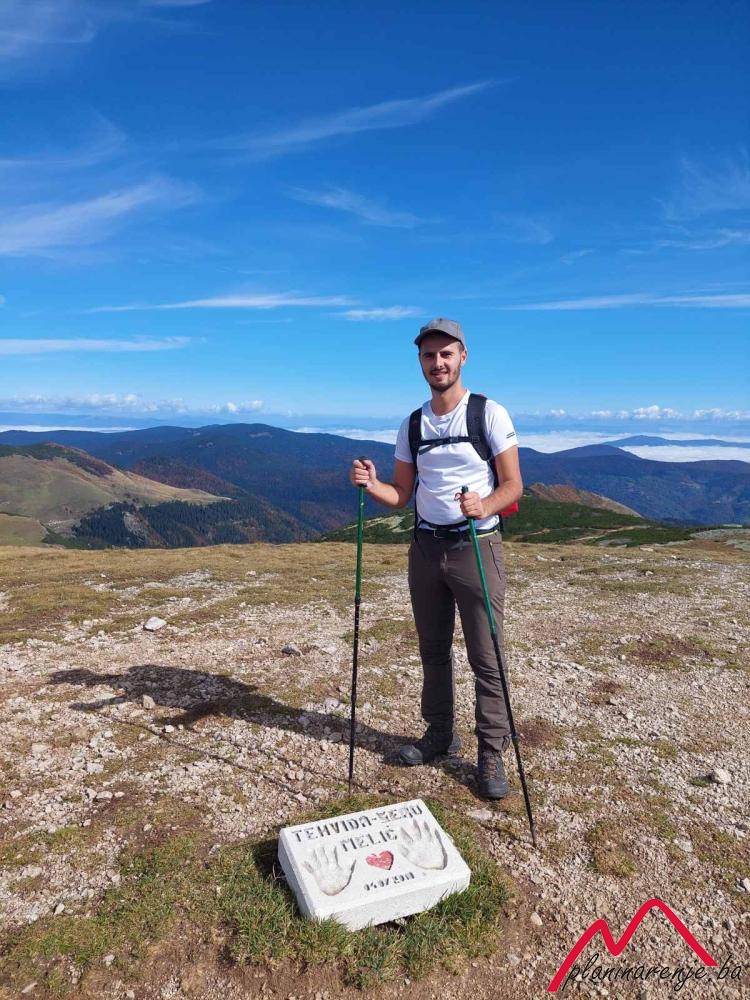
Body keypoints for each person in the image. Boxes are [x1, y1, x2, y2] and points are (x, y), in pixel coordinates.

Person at [349, 317, 523, 799]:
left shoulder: (488, 414)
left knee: (486, 655)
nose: (438, 362)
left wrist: (484, 505)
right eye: (429, 355)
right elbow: (401, 494)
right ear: (420, 361)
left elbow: (513, 484)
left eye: (446, 353)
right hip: (425, 548)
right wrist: (372, 485)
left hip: (476, 546)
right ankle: (440, 735)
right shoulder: (412, 424)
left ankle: (491, 750)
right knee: (432, 649)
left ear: (463, 356)